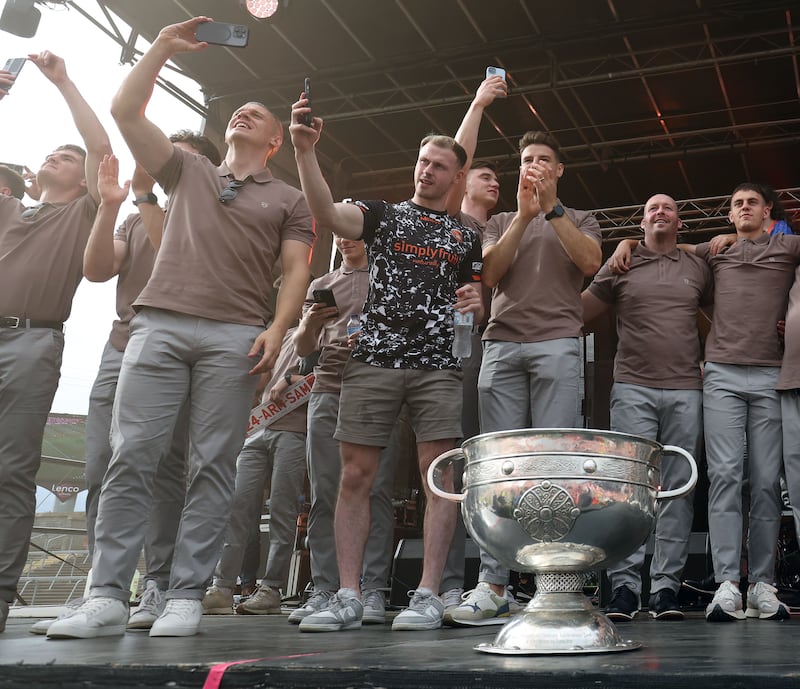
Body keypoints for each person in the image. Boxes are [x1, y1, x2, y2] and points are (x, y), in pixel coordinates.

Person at [46, 16, 314, 640]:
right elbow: (126, 111)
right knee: (131, 456)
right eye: (239, 110)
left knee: (214, 465)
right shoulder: (188, 171)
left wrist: (278, 331)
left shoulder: (288, 199)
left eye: (257, 114)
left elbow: (298, 271)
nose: (244, 114)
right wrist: (162, 48)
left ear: (275, 141)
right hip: (159, 325)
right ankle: (108, 594)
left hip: (235, 334)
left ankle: (186, 594)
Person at [289, 90, 484, 632]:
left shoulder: (465, 236)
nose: (426, 171)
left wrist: (476, 302)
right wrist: (305, 150)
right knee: (355, 474)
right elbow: (326, 212)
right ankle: (348, 595)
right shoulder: (383, 215)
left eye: (439, 165)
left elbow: (473, 297)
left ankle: (426, 593)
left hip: (438, 365)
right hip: (374, 359)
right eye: (422, 161)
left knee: (439, 477)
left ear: (456, 177)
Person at [611, 182, 800, 622]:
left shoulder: (788, 247)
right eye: (737, 204)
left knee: (768, 482)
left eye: (753, 202)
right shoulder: (711, 251)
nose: (745, 208)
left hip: (772, 374)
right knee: (726, 477)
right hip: (720, 374)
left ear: (767, 209)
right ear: (729, 215)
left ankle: (764, 585)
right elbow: (661, 244)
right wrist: (625, 238)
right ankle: (728, 583)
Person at [450, 130, 601, 625]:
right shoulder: (497, 219)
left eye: (542, 159)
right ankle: (493, 584)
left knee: (553, 465)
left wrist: (553, 211)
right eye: (526, 159)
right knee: (500, 466)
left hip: (557, 342)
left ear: (558, 170)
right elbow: (488, 274)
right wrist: (523, 215)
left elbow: (590, 263)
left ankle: (555, 583)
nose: (533, 166)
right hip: (501, 343)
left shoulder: (581, 217)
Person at [74, 132, 220, 634]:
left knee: (162, 469)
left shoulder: (212, 219)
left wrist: (143, 198)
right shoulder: (135, 216)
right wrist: (109, 208)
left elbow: (172, 250)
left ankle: (157, 581)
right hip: (120, 346)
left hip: (173, 351)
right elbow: (95, 270)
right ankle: (104, 585)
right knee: (102, 466)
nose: (164, 160)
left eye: (180, 155)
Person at [0, 52, 111, 634]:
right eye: (52, 152)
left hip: (31, 343)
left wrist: (64, 82)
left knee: (11, 468)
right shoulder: (7, 207)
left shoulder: (84, 213)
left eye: (66, 157)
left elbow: (99, 150)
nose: (57, 157)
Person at [581, 194, 713, 620]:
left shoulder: (698, 266)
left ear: (680, 223)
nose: (660, 212)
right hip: (632, 387)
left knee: (678, 489)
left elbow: (722, 314)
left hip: (686, 389)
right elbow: (581, 311)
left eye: (668, 208)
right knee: (629, 489)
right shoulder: (622, 261)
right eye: (652, 208)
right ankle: (624, 588)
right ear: (640, 223)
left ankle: (666, 589)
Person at [289, 235, 399, 625]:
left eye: (352, 229)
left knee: (377, 490)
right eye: (339, 231)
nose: (346, 238)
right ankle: (324, 589)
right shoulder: (322, 285)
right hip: (328, 388)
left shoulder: (392, 275)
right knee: (324, 492)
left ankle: (372, 590)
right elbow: (303, 348)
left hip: (378, 389)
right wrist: (308, 323)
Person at [203, 328, 308, 616]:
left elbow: (332, 377)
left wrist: (289, 379)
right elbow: (261, 375)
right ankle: (223, 587)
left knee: (282, 510)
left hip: (296, 428)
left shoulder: (329, 331)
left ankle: (271, 588)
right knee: (237, 505)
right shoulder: (283, 333)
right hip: (260, 425)